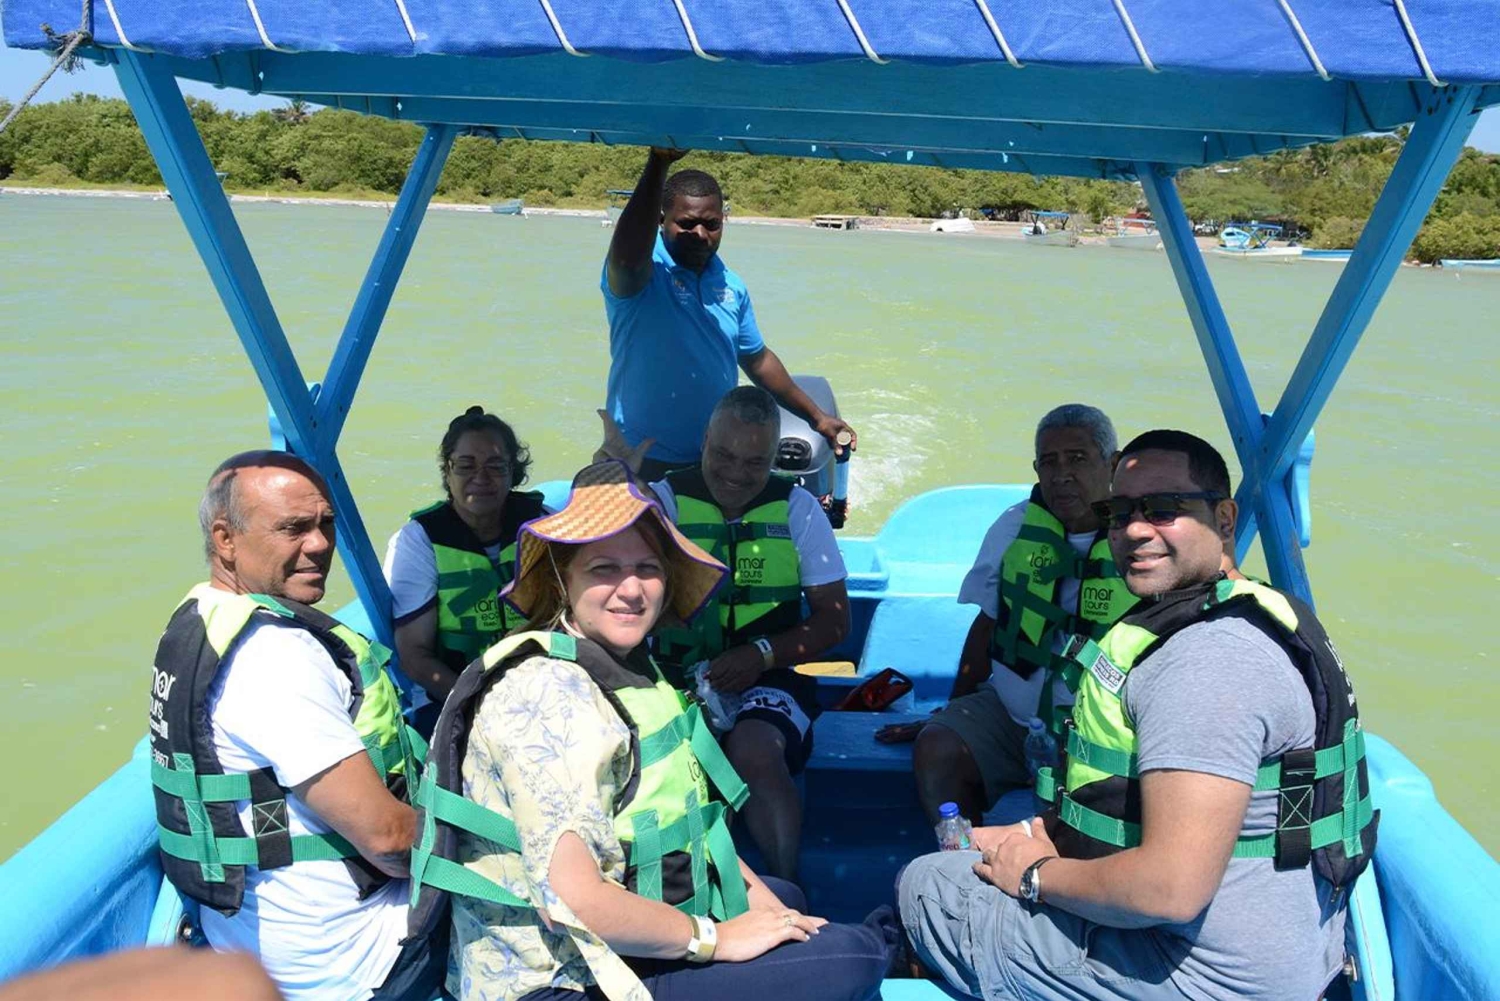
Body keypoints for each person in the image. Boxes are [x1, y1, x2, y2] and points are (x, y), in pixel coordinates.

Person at [898, 430, 1376, 1001]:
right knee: (978, 848)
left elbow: (1168, 890)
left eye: (1164, 509)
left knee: (927, 883)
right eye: (1119, 512)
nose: (1133, 530)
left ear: (1225, 518)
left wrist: (1031, 874)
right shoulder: (1255, 614)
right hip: (1281, 948)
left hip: (1199, 975)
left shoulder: (1207, 663)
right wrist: (1038, 833)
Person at [407, 460, 895, 1001]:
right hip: (560, 976)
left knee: (783, 898)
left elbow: (689, 827)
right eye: (604, 569)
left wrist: (763, 907)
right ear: (563, 580)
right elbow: (571, 900)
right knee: (856, 956)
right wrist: (716, 938)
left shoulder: (625, 663)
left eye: (647, 566)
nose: (631, 589)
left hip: (617, 935)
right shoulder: (549, 696)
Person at [149, 450, 444, 1001]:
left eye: (325, 524)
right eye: (293, 528)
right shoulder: (275, 657)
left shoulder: (200, 617)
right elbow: (389, 843)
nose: (319, 545)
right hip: (350, 961)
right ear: (225, 539)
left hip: (246, 938)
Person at [646, 386, 849, 883]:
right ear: (704, 441)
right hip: (674, 677)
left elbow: (834, 621)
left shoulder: (799, 510)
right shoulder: (662, 504)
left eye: (754, 461)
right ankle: (683, 891)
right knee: (678, 756)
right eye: (723, 455)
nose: (736, 473)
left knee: (754, 749)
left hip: (771, 678)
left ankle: (787, 885)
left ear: (775, 457)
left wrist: (760, 655)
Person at [900, 404, 1135, 824]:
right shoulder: (1013, 528)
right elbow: (988, 624)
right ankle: (963, 864)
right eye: (1049, 462)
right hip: (1012, 718)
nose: (1062, 474)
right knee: (939, 746)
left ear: (1112, 463)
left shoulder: (1138, 539)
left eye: (1078, 459)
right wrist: (953, 708)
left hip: (1099, 727)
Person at [602, 146, 856, 482]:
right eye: (687, 223)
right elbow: (626, 260)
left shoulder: (731, 285)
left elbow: (757, 360)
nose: (701, 234)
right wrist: (658, 162)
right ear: (661, 221)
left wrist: (816, 417)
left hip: (713, 457)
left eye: (712, 224)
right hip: (639, 457)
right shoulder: (640, 276)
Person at [384, 406, 547, 734]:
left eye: (495, 466)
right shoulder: (419, 541)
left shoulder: (543, 523)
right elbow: (415, 655)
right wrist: (480, 703)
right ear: (447, 472)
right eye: (465, 465)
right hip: (452, 692)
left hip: (542, 681)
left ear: (512, 472)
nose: (481, 478)